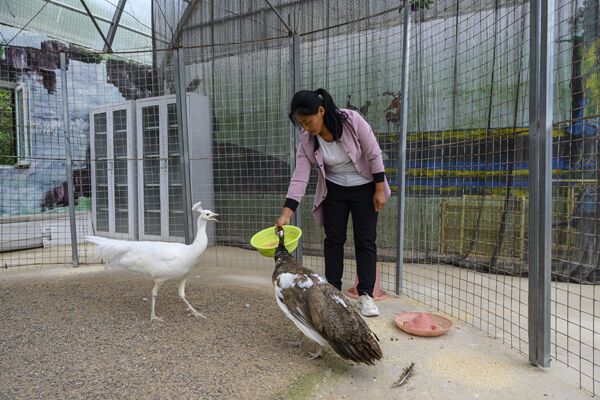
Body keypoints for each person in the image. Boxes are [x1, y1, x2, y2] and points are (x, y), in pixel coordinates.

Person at [275, 88, 391, 317]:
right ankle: (333, 293)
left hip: (365, 187)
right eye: (301, 124)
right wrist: (287, 212)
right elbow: (300, 176)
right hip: (334, 189)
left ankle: (365, 295)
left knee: (366, 240)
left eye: (308, 121)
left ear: (321, 111)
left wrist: (379, 188)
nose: (306, 128)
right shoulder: (307, 140)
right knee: (333, 240)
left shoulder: (351, 121)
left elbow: (374, 153)